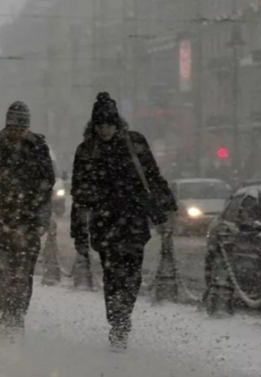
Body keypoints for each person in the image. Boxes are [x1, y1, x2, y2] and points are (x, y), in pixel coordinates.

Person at [70, 92, 176, 351]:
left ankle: (123, 313)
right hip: (104, 223)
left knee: (132, 275)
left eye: (109, 124)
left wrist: (168, 207)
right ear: (94, 126)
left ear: (116, 124)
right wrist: (79, 233)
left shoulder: (134, 142)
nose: (104, 129)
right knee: (112, 275)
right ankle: (118, 322)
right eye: (100, 125)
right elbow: (79, 196)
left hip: (133, 220)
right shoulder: (87, 151)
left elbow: (152, 175)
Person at [0, 101, 55, 335]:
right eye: (13, 126)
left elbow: (47, 183)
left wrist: (37, 215)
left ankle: (16, 318)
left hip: (26, 223)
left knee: (22, 276)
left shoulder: (37, 147)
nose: (17, 131)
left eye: (21, 127)